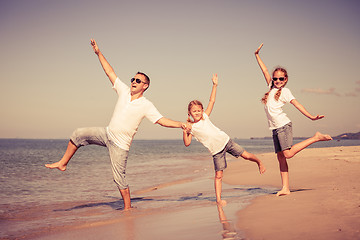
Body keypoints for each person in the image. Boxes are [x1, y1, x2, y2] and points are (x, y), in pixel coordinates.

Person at [45, 39, 185, 210]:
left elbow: (161, 120)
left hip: (120, 145)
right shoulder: (124, 91)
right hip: (107, 133)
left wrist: (180, 124)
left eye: (138, 80)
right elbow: (109, 72)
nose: (133, 81)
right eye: (133, 78)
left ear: (145, 86)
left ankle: (128, 209)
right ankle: (63, 163)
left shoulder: (146, 105)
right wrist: (98, 52)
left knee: (118, 177)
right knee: (78, 134)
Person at [254, 43, 332, 196]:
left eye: (280, 79)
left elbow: (297, 104)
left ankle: (316, 138)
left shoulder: (286, 91)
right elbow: (264, 70)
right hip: (275, 128)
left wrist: (311, 116)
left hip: (283, 126)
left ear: (285, 79)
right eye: (275, 78)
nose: (277, 80)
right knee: (281, 158)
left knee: (288, 154)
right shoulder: (271, 87)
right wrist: (256, 55)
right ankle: (285, 188)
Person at [183, 74, 266, 206]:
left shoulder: (205, 116)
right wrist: (184, 131)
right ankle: (218, 199)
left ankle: (259, 162)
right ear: (189, 113)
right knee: (219, 176)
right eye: (194, 111)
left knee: (245, 155)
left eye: (199, 110)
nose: (197, 113)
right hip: (216, 151)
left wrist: (215, 85)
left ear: (202, 110)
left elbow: (212, 101)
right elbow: (187, 143)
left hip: (226, 141)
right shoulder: (191, 127)